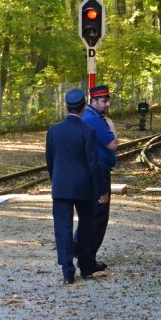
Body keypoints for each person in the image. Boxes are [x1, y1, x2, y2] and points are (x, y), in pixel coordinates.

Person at [46, 89, 109, 284]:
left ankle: (67, 272)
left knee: (62, 228)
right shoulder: (87, 132)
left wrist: (55, 180)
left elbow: (50, 160)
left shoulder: (53, 130)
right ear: (83, 108)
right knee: (87, 226)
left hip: (61, 187)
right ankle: (86, 267)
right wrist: (101, 191)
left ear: (67, 107)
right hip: (84, 188)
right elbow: (93, 163)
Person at [74, 85, 118, 271]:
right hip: (98, 171)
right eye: (103, 101)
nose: (107, 104)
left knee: (89, 214)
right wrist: (111, 125)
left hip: (91, 170)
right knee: (99, 215)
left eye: (108, 100)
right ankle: (88, 260)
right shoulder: (96, 119)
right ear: (93, 101)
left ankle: (78, 248)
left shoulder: (89, 116)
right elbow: (113, 144)